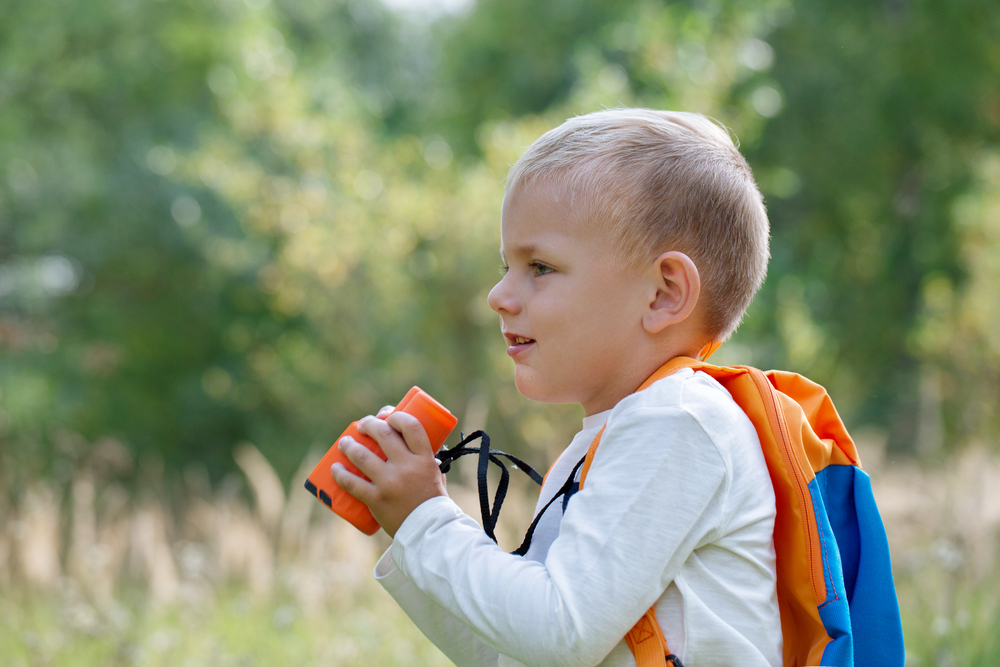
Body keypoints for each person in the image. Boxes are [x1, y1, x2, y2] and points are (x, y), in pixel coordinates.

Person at [330, 108, 781, 667]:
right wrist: (408, 525)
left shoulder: (679, 422)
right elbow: (518, 652)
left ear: (664, 292)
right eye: (507, 266)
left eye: (539, 267)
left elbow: (558, 634)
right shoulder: (607, 441)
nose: (499, 295)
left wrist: (427, 521)